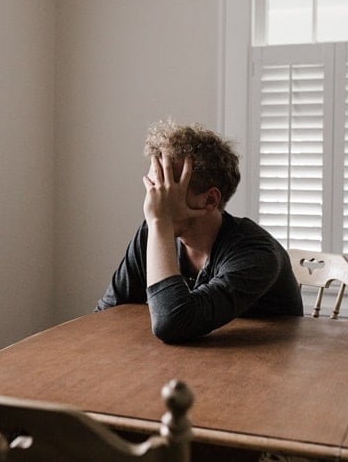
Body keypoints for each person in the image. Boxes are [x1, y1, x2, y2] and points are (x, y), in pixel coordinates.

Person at [96, 119, 303, 343]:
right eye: (153, 187)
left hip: (266, 367)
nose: (152, 200)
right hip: (189, 363)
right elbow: (106, 315)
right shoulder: (152, 233)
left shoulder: (257, 254)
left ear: (210, 199)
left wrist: (160, 222)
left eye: (167, 189)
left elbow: (173, 323)